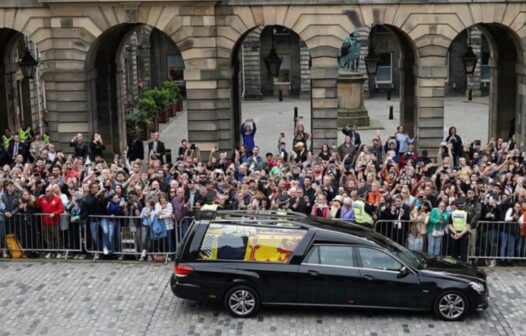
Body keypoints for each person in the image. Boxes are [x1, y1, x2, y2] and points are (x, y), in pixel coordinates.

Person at [35, 184, 65, 258]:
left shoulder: (57, 199)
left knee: (57, 238)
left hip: (54, 222)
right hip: (45, 222)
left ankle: (59, 252)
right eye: (45, 191)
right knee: (48, 238)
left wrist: (54, 213)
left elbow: (61, 209)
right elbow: (37, 206)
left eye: (48, 191)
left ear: (52, 191)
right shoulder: (43, 199)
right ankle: (50, 251)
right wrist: (38, 199)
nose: (46, 192)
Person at [447, 197, 471, 261]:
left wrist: (456, 233)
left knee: (454, 251)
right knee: (463, 252)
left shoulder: (452, 213)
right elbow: (468, 226)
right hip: (463, 234)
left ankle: (454, 266)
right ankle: (463, 266)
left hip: (454, 234)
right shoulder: (467, 214)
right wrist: (461, 234)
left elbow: (449, 225)